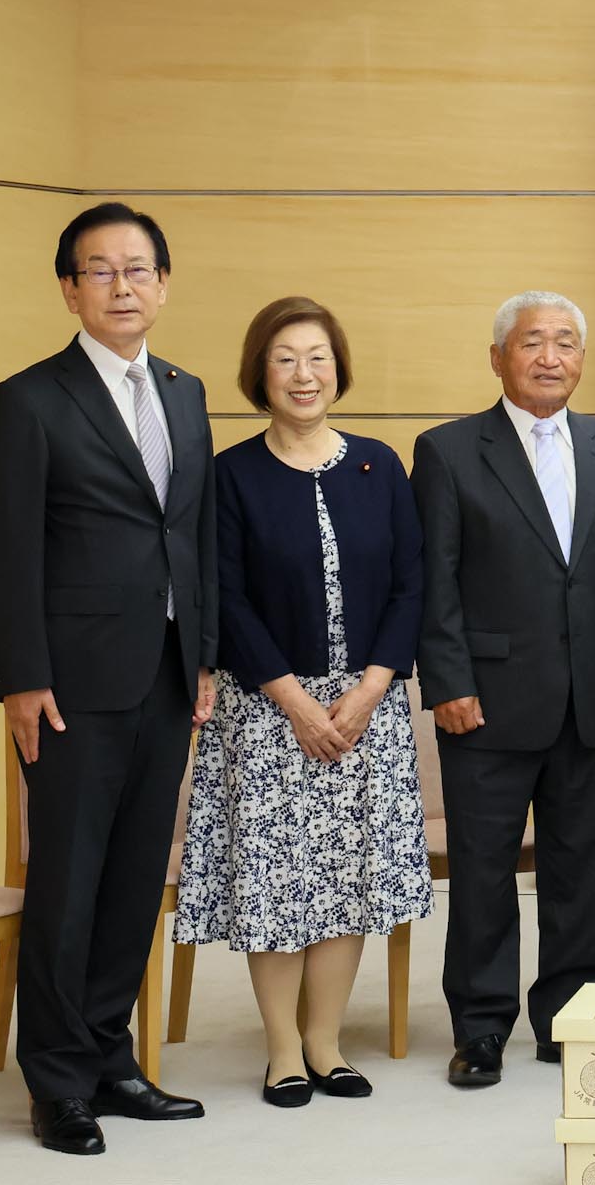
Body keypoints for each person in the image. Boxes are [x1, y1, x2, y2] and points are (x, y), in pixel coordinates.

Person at [0, 203, 219, 1155]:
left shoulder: (185, 392)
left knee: (133, 880)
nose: (123, 286)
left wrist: (203, 655)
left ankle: (111, 1059)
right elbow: (7, 549)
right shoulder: (28, 399)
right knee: (69, 882)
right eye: (100, 271)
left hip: (167, 673)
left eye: (138, 269)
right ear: (69, 290)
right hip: (69, 685)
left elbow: (191, 534)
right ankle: (57, 1082)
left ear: (163, 282)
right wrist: (23, 676)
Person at [175, 298, 431, 1107]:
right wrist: (294, 701)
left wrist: (372, 688)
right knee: (279, 878)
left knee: (349, 875)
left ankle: (326, 1042)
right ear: (260, 374)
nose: (304, 374)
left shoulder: (379, 465)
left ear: (338, 369)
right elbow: (226, 596)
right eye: (285, 359)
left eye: (317, 357)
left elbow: (412, 582)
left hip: (365, 708)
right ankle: (282, 1049)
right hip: (268, 709)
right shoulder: (231, 474)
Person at [414, 293, 595, 1089]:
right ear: (498, 357)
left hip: (591, 697)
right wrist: (448, 680)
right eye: (533, 342)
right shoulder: (447, 451)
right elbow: (434, 579)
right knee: (483, 871)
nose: (551, 357)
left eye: (566, 343)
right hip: (484, 700)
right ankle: (480, 1028)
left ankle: (571, 1014)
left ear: (583, 357)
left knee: (579, 865)